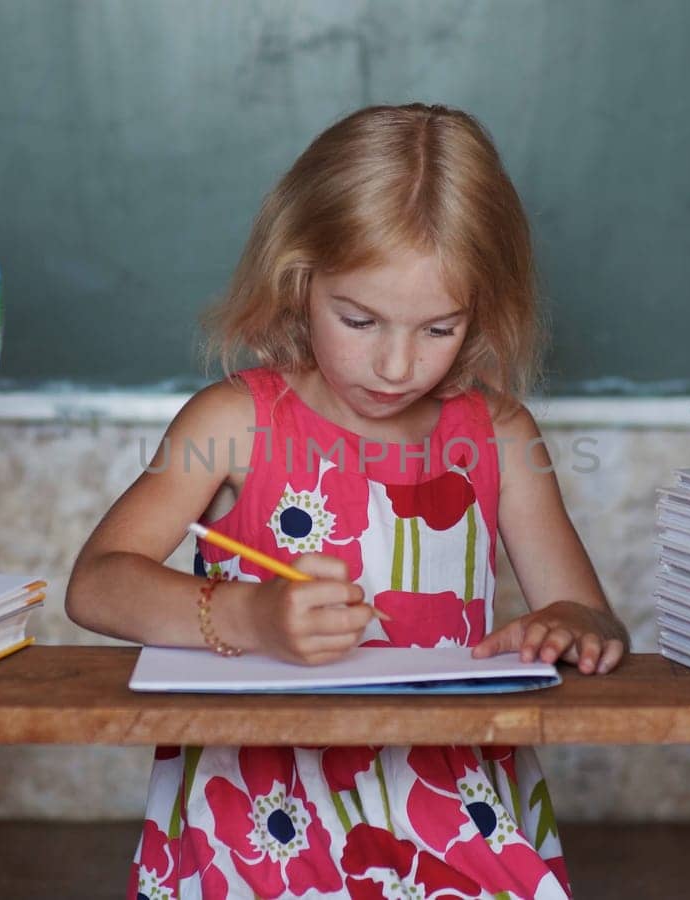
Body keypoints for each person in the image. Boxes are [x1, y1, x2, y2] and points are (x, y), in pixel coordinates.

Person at [67, 102, 627, 899]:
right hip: (258, 816)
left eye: (439, 329)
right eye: (359, 319)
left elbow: (583, 611)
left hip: (448, 807)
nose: (398, 366)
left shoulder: (498, 434)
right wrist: (250, 616)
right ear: (299, 280)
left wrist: (572, 627)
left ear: (482, 312)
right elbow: (96, 583)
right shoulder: (235, 422)